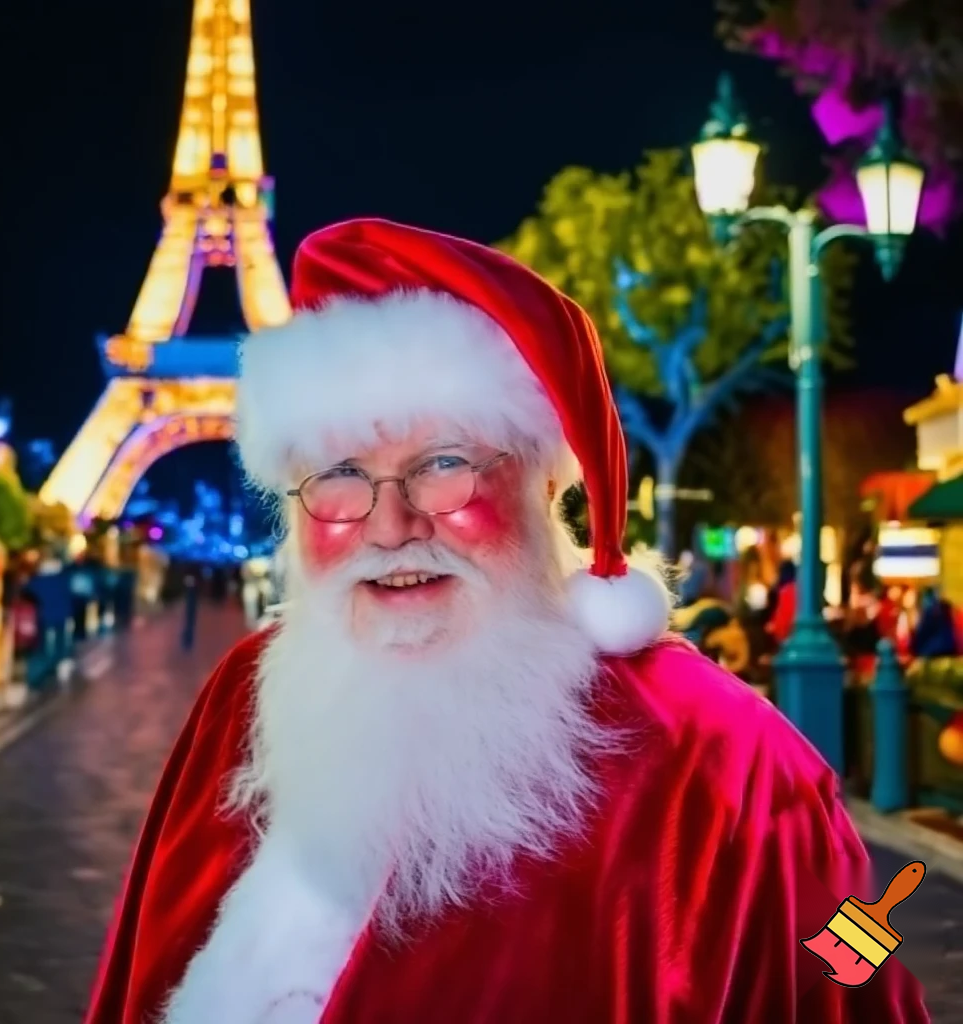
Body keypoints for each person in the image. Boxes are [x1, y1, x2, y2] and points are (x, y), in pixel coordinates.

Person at [85, 219, 929, 1023]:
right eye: (340, 474)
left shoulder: (732, 754)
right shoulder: (243, 698)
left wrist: (861, 940)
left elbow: (852, 979)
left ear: (545, 480)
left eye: (444, 466)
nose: (390, 526)